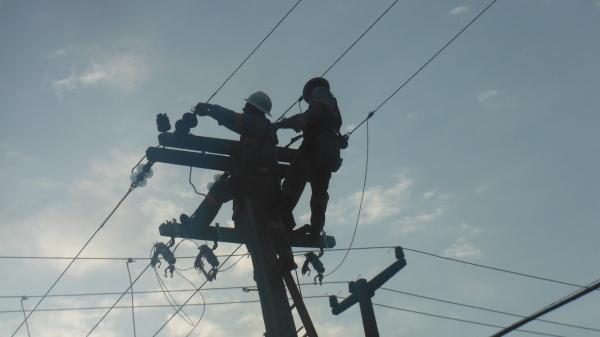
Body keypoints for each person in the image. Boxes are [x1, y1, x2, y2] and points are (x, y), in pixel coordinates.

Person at [173, 91, 296, 271]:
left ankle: (197, 225)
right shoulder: (267, 130)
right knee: (273, 219)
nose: (244, 109)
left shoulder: (254, 123)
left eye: (246, 107)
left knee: (219, 190)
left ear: (251, 108)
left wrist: (209, 109)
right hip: (270, 185)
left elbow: (231, 118)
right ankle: (285, 258)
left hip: (252, 180)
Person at [274, 77, 343, 238]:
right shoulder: (332, 106)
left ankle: (281, 219)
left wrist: (304, 122)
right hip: (330, 153)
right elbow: (302, 116)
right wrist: (281, 124)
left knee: (293, 183)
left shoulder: (320, 94)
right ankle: (316, 228)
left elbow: (314, 110)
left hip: (315, 148)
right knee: (320, 193)